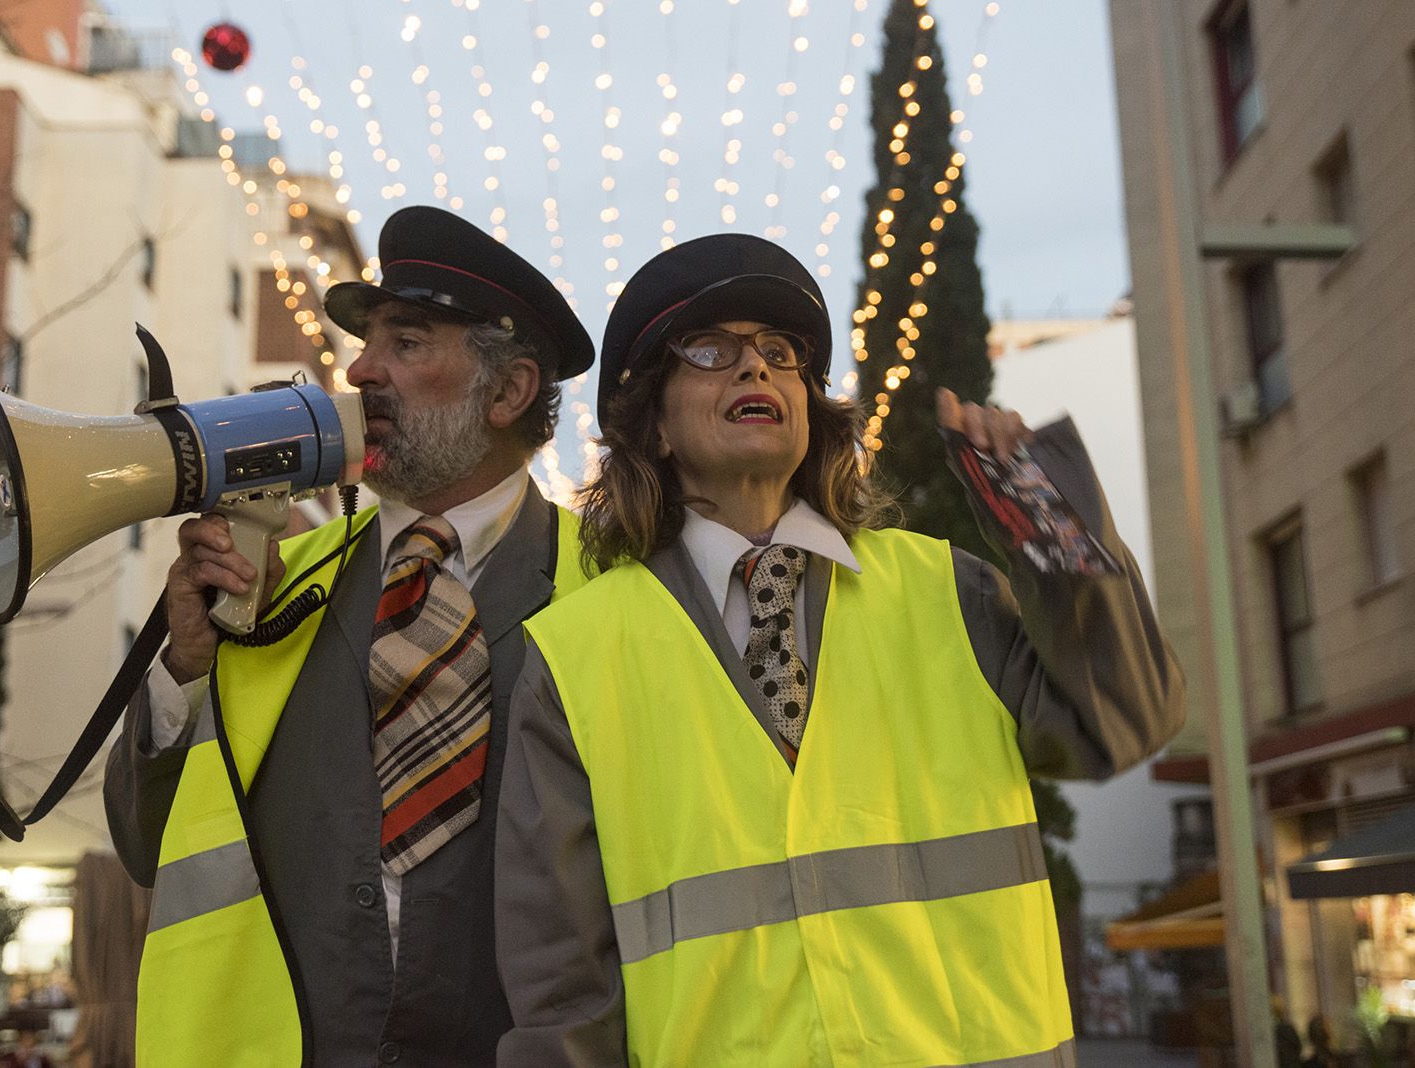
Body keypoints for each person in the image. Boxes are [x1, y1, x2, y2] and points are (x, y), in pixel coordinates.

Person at [494, 234, 1186, 1066]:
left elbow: (1126, 722)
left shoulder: (949, 591)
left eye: (781, 353)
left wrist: (1047, 525)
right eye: (711, 350)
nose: (757, 369)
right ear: (657, 427)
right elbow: (562, 987)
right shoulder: (575, 656)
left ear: (809, 407)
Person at [104, 205, 594, 1067]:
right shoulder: (280, 582)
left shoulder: (613, 586)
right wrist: (184, 667)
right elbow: (148, 847)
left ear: (511, 390)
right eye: (365, 344)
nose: (360, 371)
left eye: (406, 344)